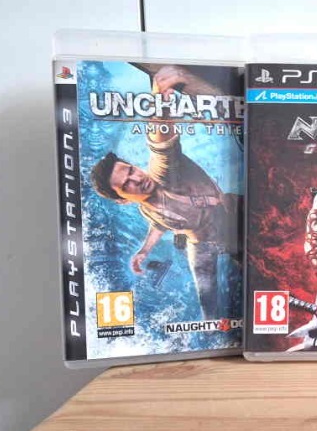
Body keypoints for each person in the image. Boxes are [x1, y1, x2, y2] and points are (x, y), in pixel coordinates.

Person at [90, 65, 240, 320]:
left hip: (232, 220)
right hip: (201, 245)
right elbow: (158, 223)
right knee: (207, 304)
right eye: (126, 185)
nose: (137, 179)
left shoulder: (163, 174)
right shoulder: (145, 208)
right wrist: (144, 251)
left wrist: (159, 103)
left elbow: (161, 148)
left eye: (131, 170)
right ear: (123, 200)